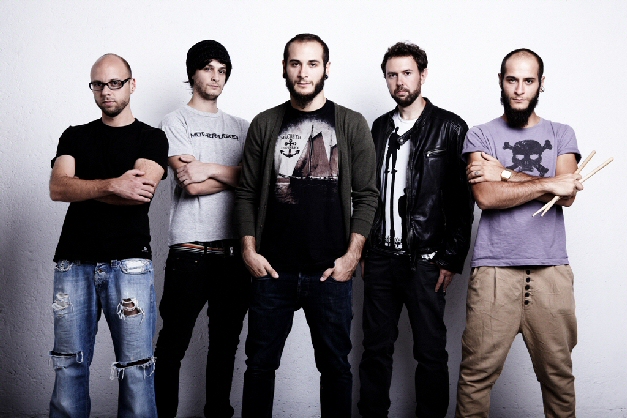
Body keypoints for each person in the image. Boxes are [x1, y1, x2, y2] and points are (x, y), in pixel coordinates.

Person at [235, 33, 378, 417]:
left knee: (335, 368)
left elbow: (367, 195)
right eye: (295, 63)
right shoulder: (265, 123)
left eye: (312, 63)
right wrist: (249, 251)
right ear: (284, 68)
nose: (303, 72)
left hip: (330, 272)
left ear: (326, 69)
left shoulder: (351, 123)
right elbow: (246, 193)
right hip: (271, 271)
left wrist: (351, 257)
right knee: (259, 366)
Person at [456, 48, 583, 417]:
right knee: (476, 377)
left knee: (558, 377)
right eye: (512, 80)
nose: (519, 89)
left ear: (541, 84)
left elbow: (567, 195)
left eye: (528, 81)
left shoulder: (562, 133)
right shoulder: (480, 135)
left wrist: (506, 174)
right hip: (494, 271)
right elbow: (486, 196)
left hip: (551, 271)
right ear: (501, 81)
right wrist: (549, 184)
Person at [357, 42, 474, 418]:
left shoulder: (450, 127)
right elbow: (367, 194)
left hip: (426, 261)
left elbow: (462, 201)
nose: (399, 82)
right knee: (374, 351)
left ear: (422, 74)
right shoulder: (379, 127)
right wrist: (363, 249)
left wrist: (451, 258)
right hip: (380, 258)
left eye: (407, 73)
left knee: (430, 353)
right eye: (392, 75)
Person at [48, 53, 168, 417]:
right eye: (98, 84)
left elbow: (140, 193)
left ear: (132, 85)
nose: (106, 91)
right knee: (68, 363)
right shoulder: (75, 135)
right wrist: (114, 184)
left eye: (115, 83)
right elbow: (58, 188)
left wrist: (83, 187)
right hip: (73, 263)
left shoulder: (152, 138)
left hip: (129, 263)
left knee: (136, 368)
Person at [153, 40, 250, 418]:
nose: (215, 77)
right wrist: (236, 177)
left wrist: (207, 168)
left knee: (225, 346)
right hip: (190, 252)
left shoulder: (242, 127)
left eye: (222, 70)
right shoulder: (175, 121)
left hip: (234, 255)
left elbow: (258, 182)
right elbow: (189, 185)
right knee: (172, 345)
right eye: (208, 68)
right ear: (192, 73)